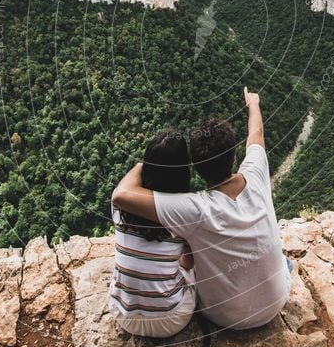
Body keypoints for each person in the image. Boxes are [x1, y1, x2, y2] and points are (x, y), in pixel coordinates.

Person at [112, 88, 291, 330]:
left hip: (226, 318)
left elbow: (121, 196)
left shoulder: (193, 209)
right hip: (277, 303)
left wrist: (146, 163)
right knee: (284, 261)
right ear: (234, 154)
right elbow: (256, 134)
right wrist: (253, 104)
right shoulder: (256, 173)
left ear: (195, 167)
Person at [109, 129, 196, 338]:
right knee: (195, 272)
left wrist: (147, 164)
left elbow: (122, 190)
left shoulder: (120, 209)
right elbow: (188, 263)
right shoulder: (184, 214)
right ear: (183, 171)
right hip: (171, 321)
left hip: (124, 316)